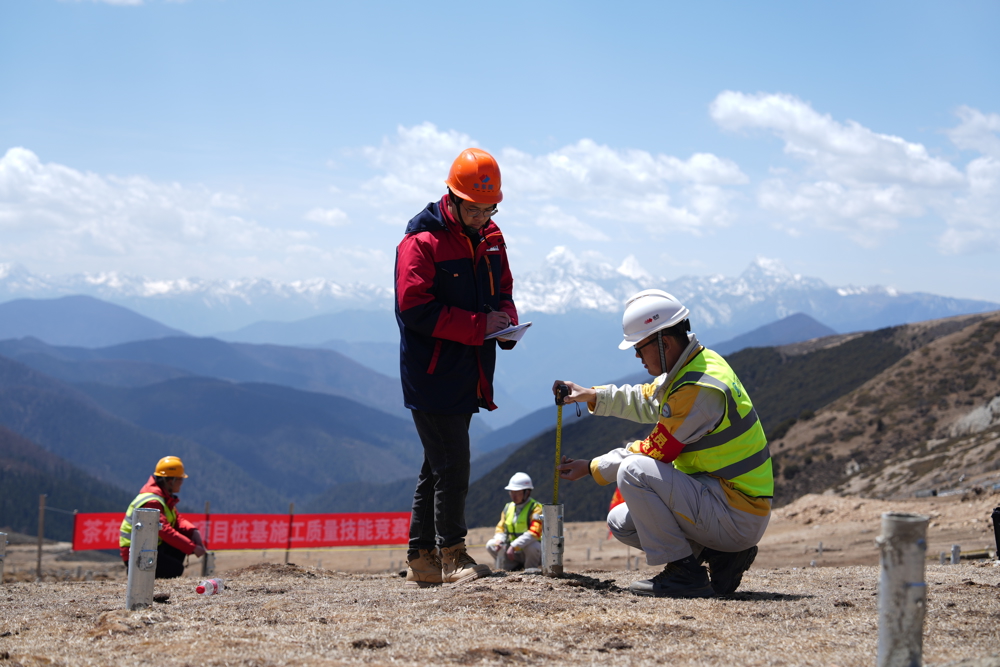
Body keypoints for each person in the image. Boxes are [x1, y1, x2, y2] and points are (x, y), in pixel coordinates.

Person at [553, 289, 772, 598]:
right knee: (621, 522)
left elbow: (653, 452)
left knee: (632, 470)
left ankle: (685, 573)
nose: (636, 356)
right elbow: (645, 399)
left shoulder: (698, 390)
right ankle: (722, 556)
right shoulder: (694, 366)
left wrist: (592, 467)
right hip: (722, 500)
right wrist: (590, 395)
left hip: (736, 513)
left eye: (639, 349)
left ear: (663, 342)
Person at [395, 147, 519, 587]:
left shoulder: (491, 236)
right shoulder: (421, 243)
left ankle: (422, 559)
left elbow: (501, 289)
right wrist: (478, 325)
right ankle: (452, 556)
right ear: (451, 196)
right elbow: (415, 310)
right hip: (431, 373)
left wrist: (505, 321)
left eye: (489, 209)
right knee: (452, 465)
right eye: (474, 208)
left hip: (470, 369)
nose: (482, 217)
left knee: (437, 464)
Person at [119, 455, 206, 579]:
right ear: (170, 481)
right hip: (136, 552)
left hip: (148, 546)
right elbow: (164, 530)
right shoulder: (153, 501)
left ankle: (145, 573)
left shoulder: (162, 498)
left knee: (178, 555)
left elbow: (178, 519)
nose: (182, 483)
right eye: (180, 480)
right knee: (176, 569)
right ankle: (138, 573)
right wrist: (192, 547)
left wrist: (193, 532)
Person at [485, 473, 544, 571]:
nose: (513, 495)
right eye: (511, 492)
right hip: (513, 552)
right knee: (491, 545)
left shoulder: (536, 508)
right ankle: (507, 569)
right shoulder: (508, 507)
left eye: (517, 492)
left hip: (529, 551)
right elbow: (501, 528)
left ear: (527, 492)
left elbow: (534, 532)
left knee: (532, 546)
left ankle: (531, 571)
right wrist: (499, 540)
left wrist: (514, 546)